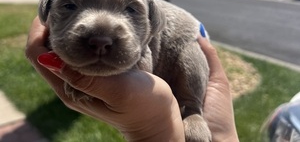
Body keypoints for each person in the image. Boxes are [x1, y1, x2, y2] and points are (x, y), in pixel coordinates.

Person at [25, 17, 239, 142]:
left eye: (130, 9)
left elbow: (143, 55)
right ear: (47, 8)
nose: (101, 39)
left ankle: (193, 110)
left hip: (178, 51)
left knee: (190, 52)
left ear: (151, 16)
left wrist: (153, 129)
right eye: (70, 5)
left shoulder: (151, 29)